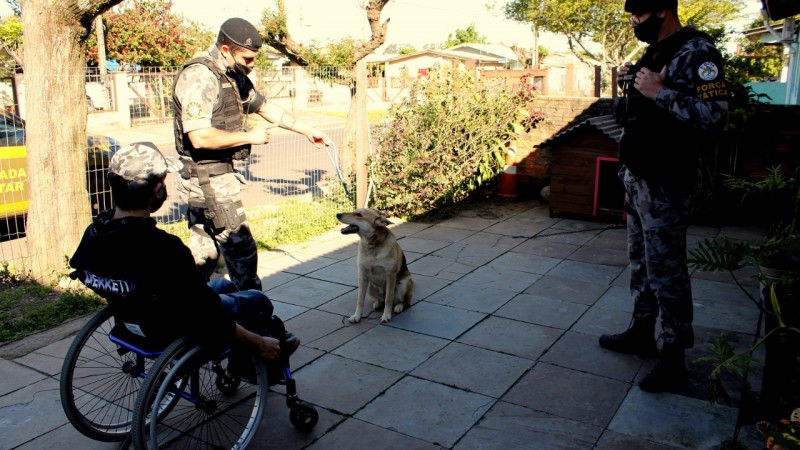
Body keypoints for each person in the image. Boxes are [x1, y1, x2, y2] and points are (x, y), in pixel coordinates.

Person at [70, 142, 298, 373]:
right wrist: (257, 342)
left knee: (225, 286)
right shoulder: (162, 247)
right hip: (171, 325)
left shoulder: (95, 233)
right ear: (157, 190)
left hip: (134, 316)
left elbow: (82, 269)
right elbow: (203, 313)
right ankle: (257, 359)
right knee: (257, 300)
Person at [599, 0, 729, 393]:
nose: (634, 21)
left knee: (667, 269)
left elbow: (716, 114)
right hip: (640, 176)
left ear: (661, 10)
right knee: (641, 262)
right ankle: (642, 331)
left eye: (639, 14)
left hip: (667, 180)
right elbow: (644, 107)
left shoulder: (699, 52)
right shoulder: (655, 51)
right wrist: (634, 82)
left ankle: (674, 357)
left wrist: (659, 92)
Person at [172, 17, 332, 291]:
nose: (252, 63)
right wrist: (250, 137)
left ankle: (187, 320)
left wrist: (307, 130)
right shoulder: (200, 77)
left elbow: (265, 107)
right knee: (242, 254)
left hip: (214, 180)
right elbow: (198, 137)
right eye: (247, 58)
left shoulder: (232, 76)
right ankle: (257, 321)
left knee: (204, 255)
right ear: (225, 49)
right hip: (208, 183)